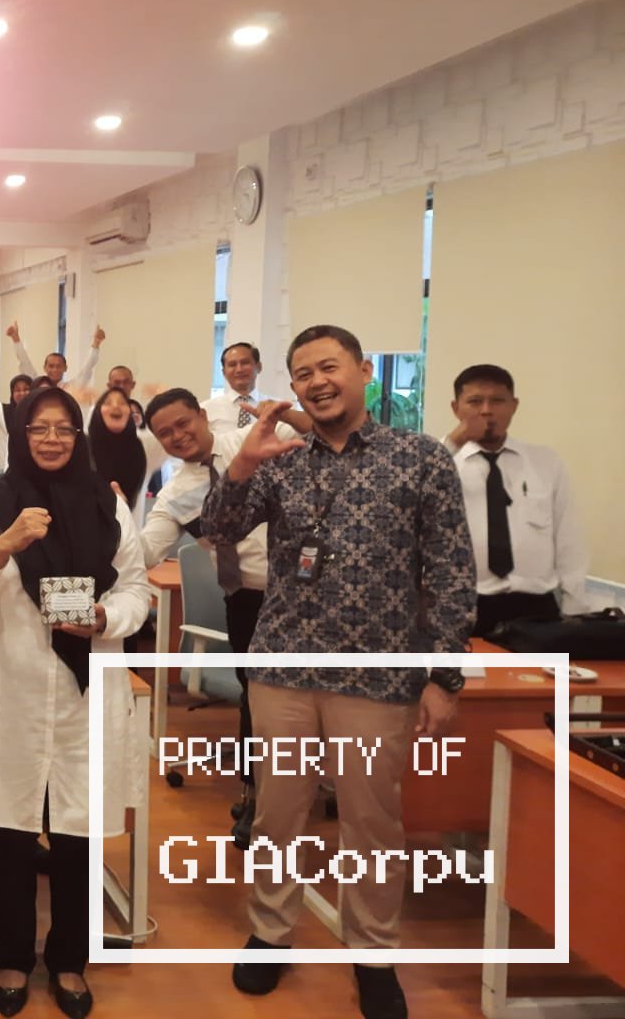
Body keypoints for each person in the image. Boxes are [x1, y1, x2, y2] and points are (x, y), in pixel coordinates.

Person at [202, 325, 475, 1019]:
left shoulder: (420, 458)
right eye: (303, 374)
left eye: (329, 367)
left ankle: (374, 952)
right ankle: (270, 932)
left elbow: (450, 571)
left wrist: (445, 675)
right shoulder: (280, 459)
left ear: (363, 371)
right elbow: (218, 530)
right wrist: (242, 465)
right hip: (284, 669)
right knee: (277, 815)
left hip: (378, 676)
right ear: (292, 387)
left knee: (372, 822)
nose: (317, 382)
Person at [0, 385, 151, 1019]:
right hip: (10, 689)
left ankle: (68, 960)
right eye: (39, 428)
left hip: (85, 693)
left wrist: (105, 617)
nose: (52, 439)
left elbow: (137, 590)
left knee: (77, 836)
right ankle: (11, 955)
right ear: (21, 435)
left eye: (63, 428)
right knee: (8, 832)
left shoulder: (106, 500)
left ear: (78, 436)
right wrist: (2, 546)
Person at [141, 388, 273, 847]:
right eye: (165, 433)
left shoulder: (249, 443)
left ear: (201, 415)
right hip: (246, 599)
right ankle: (254, 795)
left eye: (183, 423)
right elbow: (144, 551)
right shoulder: (176, 494)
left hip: (300, 593)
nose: (178, 436)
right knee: (257, 697)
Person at [444, 363, 589, 635]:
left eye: (497, 401)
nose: (486, 410)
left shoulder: (546, 462)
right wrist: (455, 440)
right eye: (474, 401)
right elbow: (408, 490)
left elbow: (568, 539)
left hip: (536, 608)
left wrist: (576, 609)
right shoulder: (441, 464)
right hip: (461, 605)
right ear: (455, 408)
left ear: (514, 406)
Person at [88, 386, 166, 523]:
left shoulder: (145, 446)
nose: (115, 406)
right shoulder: (82, 448)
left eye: (122, 402)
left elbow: (170, 437)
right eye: (108, 402)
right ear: (98, 411)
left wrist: (163, 399)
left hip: (131, 532)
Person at [205, 342, 313, 437]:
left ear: (259, 367)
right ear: (224, 372)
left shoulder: (280, 408)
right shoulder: (206, 410)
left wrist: (286, 415)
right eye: (232, 365)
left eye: (245, 363)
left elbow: (312, 432)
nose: (239, 369)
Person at [6, 320, 104, 389]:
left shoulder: (71, 388)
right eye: (51, 366)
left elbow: (87, 369)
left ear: (65, 368)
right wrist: (15, 338)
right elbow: (24, 362)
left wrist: (96, 343)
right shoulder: (37, 385)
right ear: (44, 368)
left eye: (58, 366)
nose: (55, 370)